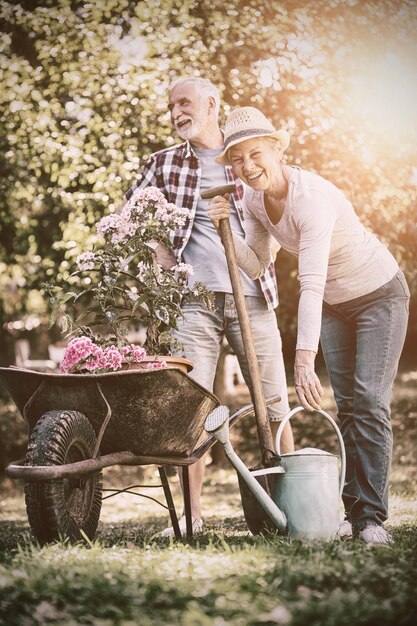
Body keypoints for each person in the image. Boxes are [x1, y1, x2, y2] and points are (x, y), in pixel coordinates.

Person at [207, 106, 410, 545]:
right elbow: (259, 263)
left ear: (277, 149)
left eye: (255, 153)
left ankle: (372, 518)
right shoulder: (254, 199)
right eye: (238, 160)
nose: (247, 167)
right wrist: (227, 227)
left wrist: (303, 357)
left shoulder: (311, 198)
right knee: (349, 407)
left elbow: (311, 282)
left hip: (379, 295)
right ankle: (354, 511)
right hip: (336, 307)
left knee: (370, 401)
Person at [123, 78, 294, 536]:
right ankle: (193, 518)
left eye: (185, 103)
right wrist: (157, 250)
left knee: (274, 401)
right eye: (171, 105)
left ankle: (290, 509)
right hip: (192, 304)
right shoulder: (160, 165)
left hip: (253, 297)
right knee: (191, 409)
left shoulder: (248, 159)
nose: (176, 111)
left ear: (211, 104)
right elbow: (130, 217)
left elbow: (281, 205)